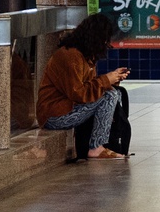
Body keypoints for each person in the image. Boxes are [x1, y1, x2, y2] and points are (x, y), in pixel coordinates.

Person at [37, 13, 131, 159]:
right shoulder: (71, 56)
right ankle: (96, 147)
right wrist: (106, 79)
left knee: (114, 92)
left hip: (68, 107)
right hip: (53, 115)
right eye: (104, 40)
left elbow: (90, 88)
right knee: (109, 96)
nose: (105, 45)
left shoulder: (85, 56)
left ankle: (102, 144)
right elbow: (79, 94)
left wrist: (112, 79)